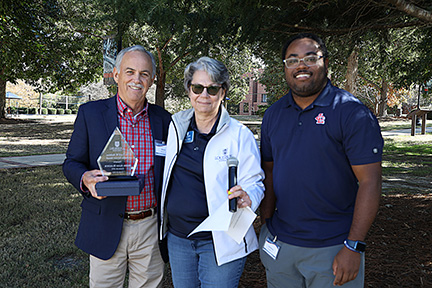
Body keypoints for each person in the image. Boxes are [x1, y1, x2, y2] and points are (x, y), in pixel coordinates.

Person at [259, 33, 383, 287]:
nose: (301, 66)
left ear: (326, 63)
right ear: (284, 67)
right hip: (281, 245)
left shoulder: (351, 113)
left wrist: (354, 246)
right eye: (292, 60)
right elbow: (269, 172)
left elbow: (370, 182)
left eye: (310, 58)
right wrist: (266, 224)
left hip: (334, 248)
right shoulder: (273, 114)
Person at [63, 45, 171, 288]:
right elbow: (71, 163)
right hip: (107, 222)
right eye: (130, 71)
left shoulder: (164, 120)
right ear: (116, 74)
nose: (137, 79)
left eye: (144, 74)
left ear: (152, 80)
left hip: (150, 228)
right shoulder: (91, 114)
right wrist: (85, 179)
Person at [159, 56, 264, 287]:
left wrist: (249, 197)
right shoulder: (176, 126)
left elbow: (256, 183)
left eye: (212, 89)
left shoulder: (239, 134)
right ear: (189, 89)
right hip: (179, 238)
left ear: (223, 92)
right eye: (197, 87)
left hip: (220, 239)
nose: (204, 95)